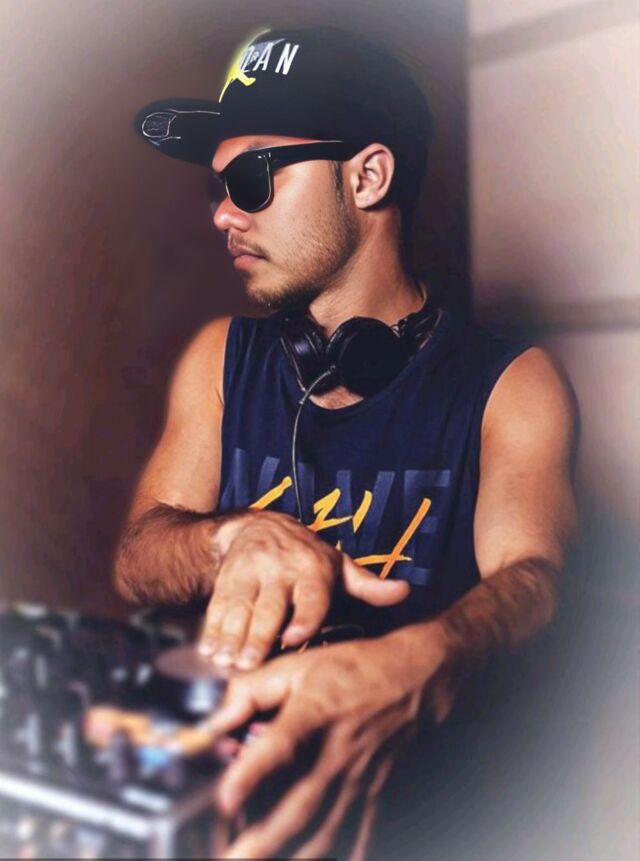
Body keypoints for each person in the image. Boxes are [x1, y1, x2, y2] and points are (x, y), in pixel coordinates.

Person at [116, 25, 578, 859]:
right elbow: (138, 557)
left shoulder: (512, 384)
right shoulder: (221, 357)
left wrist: (423, 658)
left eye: (252, 178)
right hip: (227, 802)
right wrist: (232, 536)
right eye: (219, 186)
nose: (222, 212)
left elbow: (535, 581)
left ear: (368, 176)